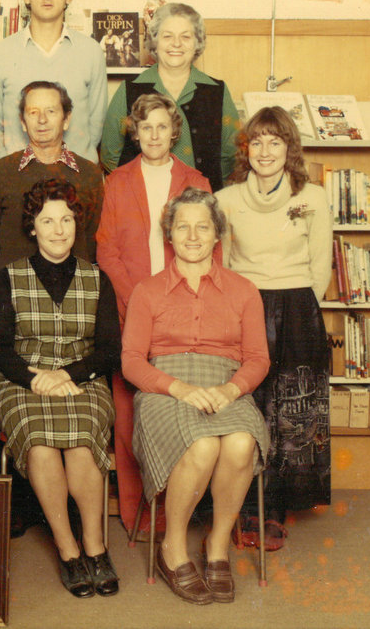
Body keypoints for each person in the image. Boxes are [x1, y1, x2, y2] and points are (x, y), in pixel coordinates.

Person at [122, 187, 270, 605]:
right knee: (202, 445)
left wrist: (230, 389)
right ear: (168, 235)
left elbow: (258, 359)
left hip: (225, 386)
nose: (192, 236)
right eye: (182, 227)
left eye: (202, 227)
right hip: (165, 389)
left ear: (217, 234)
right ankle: (172, 546)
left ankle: (217, 545)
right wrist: (181, 389)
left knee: (240, 443)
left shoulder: (244, 290)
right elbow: (131, 362)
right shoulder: (147, 291)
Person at [0, 178, 121, 598]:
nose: (58, 229)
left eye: (66, 220)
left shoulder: (98, 278)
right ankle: (68, 550)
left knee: (81, 441)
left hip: (83, 381)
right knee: (41, 443)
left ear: (76, 224)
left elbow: (110, 349)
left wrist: (69, 375)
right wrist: (35, 378)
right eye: (48, 221)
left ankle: (95, 546)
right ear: (33, 227)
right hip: (21, 381)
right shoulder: (9, 277)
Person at [95, 94, 213, 537]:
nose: (154, 135)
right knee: (129, 413)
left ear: (174, 131)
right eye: (146, 128)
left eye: (162, 127)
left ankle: (172, 514)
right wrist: (139, 301)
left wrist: (181, 303)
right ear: (135, 133)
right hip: (131, 308)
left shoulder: (195, 180)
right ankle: (137, 514)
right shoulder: (118, 181)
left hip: (184, 310)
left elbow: (209, 246)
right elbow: (107, 250)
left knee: (177, 408)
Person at [215, 106, 333, 551]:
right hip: (246, 307)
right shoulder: (226, 199)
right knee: (248, 408)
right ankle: (244, 507)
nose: (265, 151)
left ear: (289, 148)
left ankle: (276, 509)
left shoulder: (313, 197)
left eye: (275, 141)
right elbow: (224, 264)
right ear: (247, 149)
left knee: (291, 415)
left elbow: (319, 267)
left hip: (298, 308)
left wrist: (296, 311)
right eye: (258, 142)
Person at [0, 0, 107, 164]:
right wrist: (10, 173)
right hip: (18, 177)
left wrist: (77, 170)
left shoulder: (91, 52)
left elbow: (96, 125)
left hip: (75, 176)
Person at [100, 3, 240, 192]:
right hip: (142, 198)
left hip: (201, 200)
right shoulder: (129, 90)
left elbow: (231, 155)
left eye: (185, 36)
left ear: (197, 42)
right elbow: (110, 154)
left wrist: (204, 190)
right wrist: (135, 189)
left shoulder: (217, 91)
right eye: (167, 36)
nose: (176, 43)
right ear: (154, 41)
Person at [0, 81, 103, 272]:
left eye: (51, 111)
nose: (42, 120)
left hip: (73, 284)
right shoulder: (1, 172)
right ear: (23, 122)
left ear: (66, 119)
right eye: (33, 112)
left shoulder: (89, 174)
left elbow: (92, 241)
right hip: (15, 284)